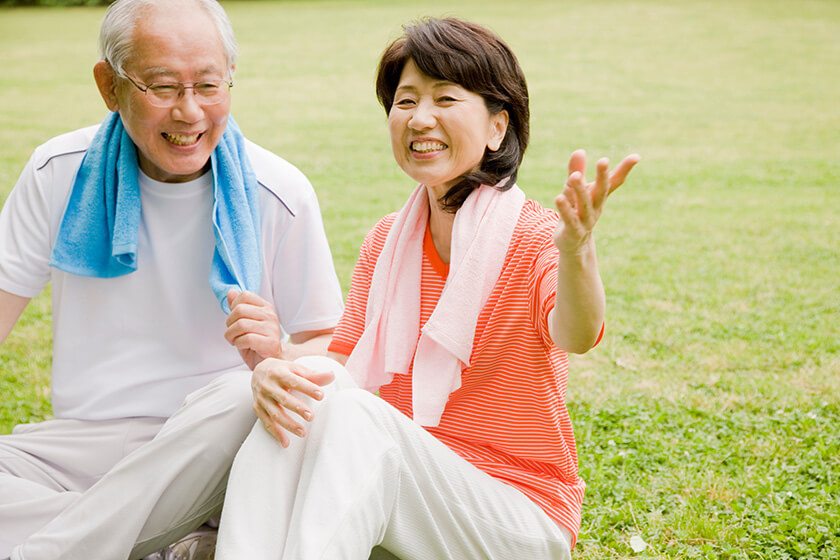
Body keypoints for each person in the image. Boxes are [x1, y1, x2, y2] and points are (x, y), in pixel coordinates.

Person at [214, 16, 640, 560]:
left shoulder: (533, 236)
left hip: (516, 514)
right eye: (406, 100)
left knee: (350, 414)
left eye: (445, 98)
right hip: (410, 490)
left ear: (496, 127)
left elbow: (576, 334)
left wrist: (576, 248)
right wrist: (278, 359)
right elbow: (344, 356)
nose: (420, 118)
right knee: (297, 398)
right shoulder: (388, 239)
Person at [0, 0, 343, 559]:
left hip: (210, 444)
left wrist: (277, 351)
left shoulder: (278, 190)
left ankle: (67, 545)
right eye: (162, 87)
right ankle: (168, 545)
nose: (189, 113)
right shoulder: (56, 171)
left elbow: (331, 349)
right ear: (108, 86)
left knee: (237, 396)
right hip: (82, 445)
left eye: (209, 85)